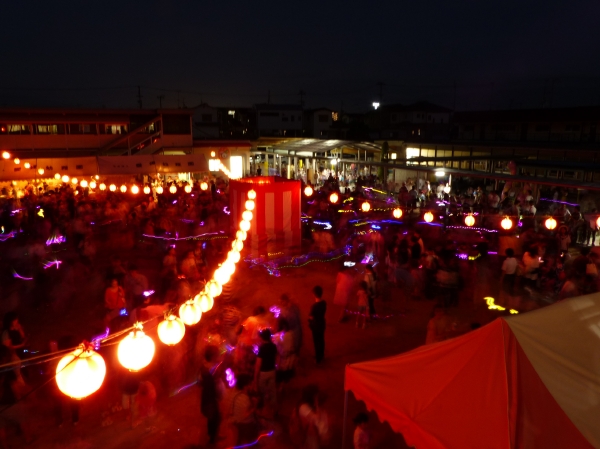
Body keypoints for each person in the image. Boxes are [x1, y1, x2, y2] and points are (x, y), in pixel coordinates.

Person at [199, 345, 222, 445]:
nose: (218, 356)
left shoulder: (207, 367)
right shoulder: (209, 370)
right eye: (217, 354)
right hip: (209, 399)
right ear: (212, 356)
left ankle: (212, 435)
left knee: (213, 418)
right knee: (215, 418)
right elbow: (206, 383)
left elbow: (200, 382)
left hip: (210, 398)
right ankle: (212, 440)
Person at [254, 329, 277, 415]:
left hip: (263, 373)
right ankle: (274, 410)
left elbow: (258, 364)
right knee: (272, 392)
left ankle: (262, 411)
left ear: (262, 338)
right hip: (272, 371)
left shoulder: (262, 348)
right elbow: (276, 357)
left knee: (262, 392)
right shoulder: (273, 346)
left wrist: (255, 378)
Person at [230, 374, 257, 445]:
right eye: (250, 384)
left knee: (239, 441)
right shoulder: (245, 399)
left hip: (236, 421)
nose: (252, 385)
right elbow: (245, 415)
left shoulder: (234, 394)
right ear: (245, 386)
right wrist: (254, 407)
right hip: (244, 424)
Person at [308, 286, 326, 364]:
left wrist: (310, 320)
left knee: (316, 342)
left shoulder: (314, 306)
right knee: (321, 340)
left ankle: (318, 358)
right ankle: (321, 355)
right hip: (322, 324)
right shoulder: (324, 303)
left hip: (316, 326)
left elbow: (311, 317)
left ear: (314, 294)